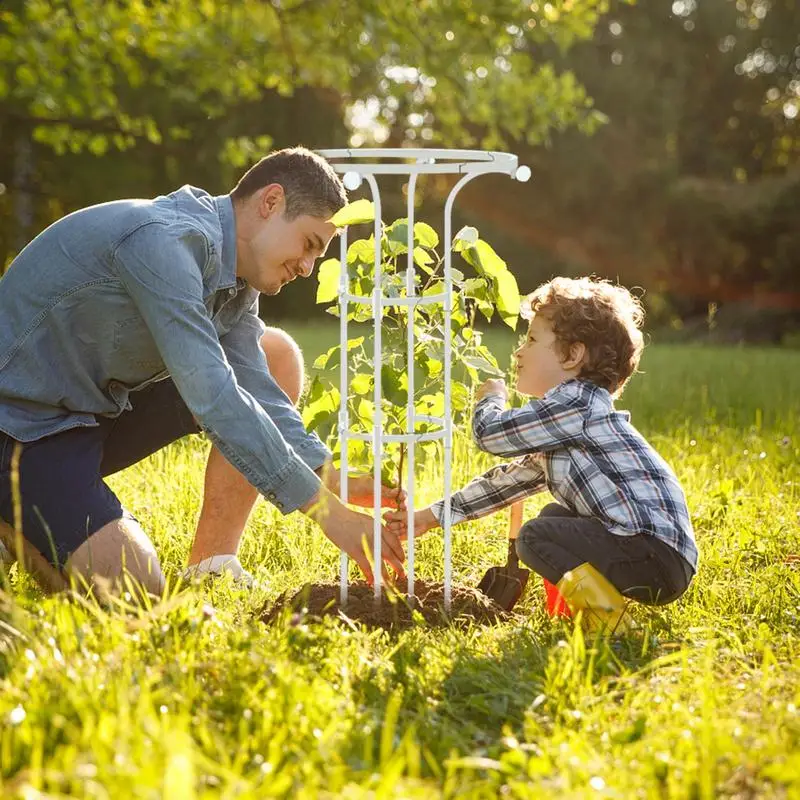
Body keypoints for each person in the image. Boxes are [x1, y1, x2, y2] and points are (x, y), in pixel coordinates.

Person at [0, 146, 405, 597]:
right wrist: (330, 515)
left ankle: (211, 564)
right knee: (137, 589)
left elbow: (258, 389)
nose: (309, 269)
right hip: (22, 426)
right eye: (310, 244)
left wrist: (329, 474)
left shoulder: (236, 278)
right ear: (270, 203)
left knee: (275, 355)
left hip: (92, 412)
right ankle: (15, 519)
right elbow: (214, 397)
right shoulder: (164, 243)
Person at [385, 277, 697, 630]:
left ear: (573, 355)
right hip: (659, 555)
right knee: (553, 516)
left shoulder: (575, 403)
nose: (518, 352)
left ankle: (612, 625)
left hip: (652, 553)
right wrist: (430, 516)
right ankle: (577, 614)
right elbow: (506, 484)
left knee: (535, 537)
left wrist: (491, 400)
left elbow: (490, 435)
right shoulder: (568, 423)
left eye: (532, 339)